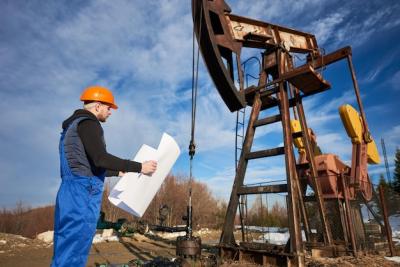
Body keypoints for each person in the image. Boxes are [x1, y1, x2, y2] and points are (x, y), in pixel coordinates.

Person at [51, 85, 157, 267]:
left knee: (65, 248)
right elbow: (100, 159)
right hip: (82, 196)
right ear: (98, 106)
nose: (110, 112)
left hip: (69, 193)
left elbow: (87, 164)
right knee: (74, 252)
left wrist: (118, 171)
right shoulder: (89, 123)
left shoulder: (71, 128)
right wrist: (140, 167)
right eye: (109, 108)